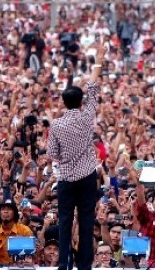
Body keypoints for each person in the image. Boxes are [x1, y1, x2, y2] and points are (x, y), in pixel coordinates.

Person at [46, 45, 107, 270]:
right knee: (86, 220)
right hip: (87, 176)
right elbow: (92, 87)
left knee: (64, 222)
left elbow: (51, 154)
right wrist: (98, 60)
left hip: (66, 179)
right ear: (81, 102)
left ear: (63, 102)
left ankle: (64, 264)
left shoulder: (57, 124)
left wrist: (63, 157)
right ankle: (84, 266)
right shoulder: (87, 115)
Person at [0, 199, 33, 264]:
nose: (6, 211)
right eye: (3, 209)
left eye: (9, 209)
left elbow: (30, 256)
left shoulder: (25, 231)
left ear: (15, 212)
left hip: (20, 267)